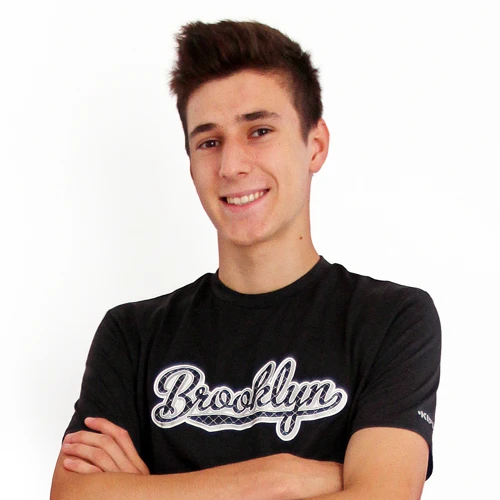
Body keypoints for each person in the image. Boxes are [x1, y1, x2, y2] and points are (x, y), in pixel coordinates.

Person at [50, 20, 441, 499]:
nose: (231, 166)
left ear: (315, 146)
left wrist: (145, 491)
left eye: (259, 131)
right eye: (209, 142)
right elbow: (71, 495)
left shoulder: (391, 319)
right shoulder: (132, 335)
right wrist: (281, 477)